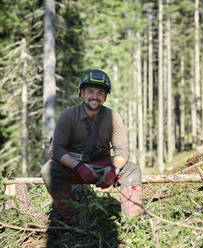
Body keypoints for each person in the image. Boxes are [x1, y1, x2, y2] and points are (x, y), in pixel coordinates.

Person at [41, 69, 143, 226]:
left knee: (132, 169)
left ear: (105, 96)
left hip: (102, 165)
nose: (95, 96)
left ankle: (133, 223)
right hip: (74, 167)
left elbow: (122, 151)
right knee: (49, 169)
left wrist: (113, 170)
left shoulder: (113, 117)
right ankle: (73, 220)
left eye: (100, 92)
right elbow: (56, 150)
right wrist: (80, 167)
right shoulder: (68, 115)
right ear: (82, 93)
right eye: (90, 91)